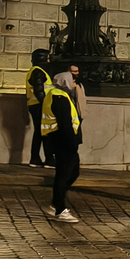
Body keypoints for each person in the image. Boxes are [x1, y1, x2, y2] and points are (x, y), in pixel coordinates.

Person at [43, 72, 83, 223]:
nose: (74, 84)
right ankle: (59, 208)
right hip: (64, 141)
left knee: (73, 172)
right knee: (63, 175)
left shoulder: (58, 95)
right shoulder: (59, 97)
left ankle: (56, 202)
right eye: (73, 81)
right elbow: (65, 123)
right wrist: (72, 142)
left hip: (62, 141)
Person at [25, 49, 51, 167]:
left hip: (35, 105)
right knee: (45, 132)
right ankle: (48, 159)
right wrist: (47, 104)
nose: (49, 60)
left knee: (40, 133)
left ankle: (36, 158)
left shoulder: (35, 71)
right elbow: (39, 90)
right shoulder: (38, 72)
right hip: (40, 105)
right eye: (47, 57)